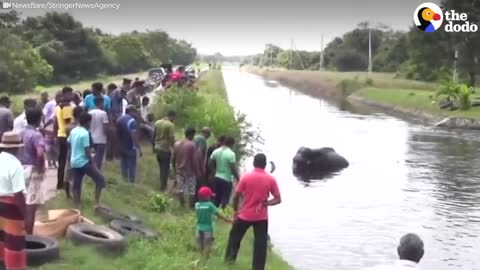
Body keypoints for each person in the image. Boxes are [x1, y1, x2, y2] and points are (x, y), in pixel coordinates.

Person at [225, 153, 281, 270]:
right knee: (260, 245)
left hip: (245, 215)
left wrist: (236, 211)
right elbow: (277, 199)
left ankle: (229, 261)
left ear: (254, 163)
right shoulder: (270, 179)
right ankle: (258, 268)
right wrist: (266, 203)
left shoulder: (246, 177)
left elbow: (236, 196)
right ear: (265, 165)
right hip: (261, 217)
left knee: (234, 237)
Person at [17, 108, 46, 235]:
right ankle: (29, 235)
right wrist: (40, 168)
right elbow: (40, 154)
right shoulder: (37, 135)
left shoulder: (19, 133)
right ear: (39, 119)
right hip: (32, 169)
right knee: (31, 205)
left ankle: (19, 229)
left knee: (20, 201)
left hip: (19, 168)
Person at [0, 132, 27, 270]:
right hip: (11, 208)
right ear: (17, 148)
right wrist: (25, 215)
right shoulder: (16, 165)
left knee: (1, 239)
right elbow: (18, 194)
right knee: (14, 243)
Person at [68, 112, 105, 208]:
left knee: (77, 183)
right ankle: (96, 203)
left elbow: (69, 142)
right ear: (87, 122)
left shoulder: (74, 131)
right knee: (100, 179)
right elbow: (87, 151)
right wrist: (93, 163)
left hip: (74, 161)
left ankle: (77, 204)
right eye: (90, 122)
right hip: (83, 162)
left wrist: (74, 152)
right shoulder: (85, 134)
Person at [195, 186, 231, 259]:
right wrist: (228, 220)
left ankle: (201, 258)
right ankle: (206, 259)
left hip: (198, 228)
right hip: (208, 229)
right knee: (208, 245)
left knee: (200, 245)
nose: (210, 198)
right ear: (206, 196)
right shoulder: (210, 205)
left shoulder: (197, 205)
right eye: (209, 196)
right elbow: (218, 214)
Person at [172, 127, 203, 208]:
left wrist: (175, 170)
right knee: (192, 191)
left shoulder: (176, 144)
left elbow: (173, 159)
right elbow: (195, 160)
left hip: (179, 170)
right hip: (190, 172)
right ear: (191, 134)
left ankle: (182, 205)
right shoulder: (192, 145)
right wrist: (198, 172)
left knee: (180, 189)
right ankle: (191, 207)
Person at [209, 136, 239, 209]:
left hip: (217, 177)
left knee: (217, 197)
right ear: (232, 144)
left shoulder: (216, 151)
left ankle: (214, 212)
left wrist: (213, 172)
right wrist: (238, 179)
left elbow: (210, 163)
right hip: (227, 179)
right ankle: (223, 211)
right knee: (225, 198)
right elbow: (233, 168)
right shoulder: (231, 154)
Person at [116, 105, 142, 183]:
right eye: (135, 112)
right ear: (131, 112)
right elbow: (134, 136)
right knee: (132, 166)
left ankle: (124, 180)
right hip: (130, 147)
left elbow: (117, 133)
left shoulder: (119, 119)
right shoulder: (132, 121)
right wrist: (139, 148)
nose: (136, 114)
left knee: (123, 164)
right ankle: (131, 182)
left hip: (121, 146)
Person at [55, 87, 75, 190]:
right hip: (66, 135)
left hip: (59, 134)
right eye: (69, 94)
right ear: (64, 94)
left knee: (61, 160)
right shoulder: (66, 106)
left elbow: (56, 123)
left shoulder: (58, 106)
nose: (71, 96)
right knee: (67, 160)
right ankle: (66, 183)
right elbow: (68, 124)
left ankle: (60, 183)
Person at [64, 106, 84, 200]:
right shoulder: (80, 127)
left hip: (69, 151)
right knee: (77, 176)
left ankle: (68, 195)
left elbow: (67, 142)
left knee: (67, 174)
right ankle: (76, 196)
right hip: (78, 152)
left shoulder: (68, 126)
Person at [153, 110, 176, 191]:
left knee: (161, 167)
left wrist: (153, 147)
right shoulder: (170, 125)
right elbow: (171, 138)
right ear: (172, 116)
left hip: (157, 148)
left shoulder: (157, 122)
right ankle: (163, 187)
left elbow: (154, 135)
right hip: (165, 149)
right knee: (165, 168)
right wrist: (174, 149)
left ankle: (162, 184)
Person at [89, 97, 109, 170]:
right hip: (101, 139)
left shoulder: (89, 113)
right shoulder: (103, 113)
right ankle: (97, 173)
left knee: (92, 157)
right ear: (101, 103)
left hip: (91, 138)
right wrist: (107, 136)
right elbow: (105, 127)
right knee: (99, 159)